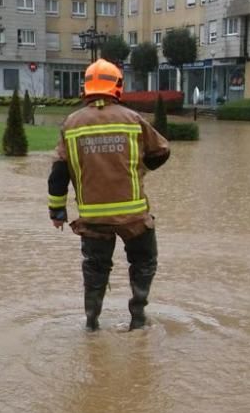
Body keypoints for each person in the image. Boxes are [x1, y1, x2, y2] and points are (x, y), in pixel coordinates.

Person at [47, 59, 171, 332]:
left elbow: (59, 172)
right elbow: (162, 150)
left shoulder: (72, 124)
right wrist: (141, 168)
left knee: (95, 269)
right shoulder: (132, 119)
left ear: (86, 88)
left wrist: (57, 212)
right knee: (144, 262)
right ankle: (138, 318)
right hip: (133, 216)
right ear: (117, 87)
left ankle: (91, 323)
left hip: (93, 217)